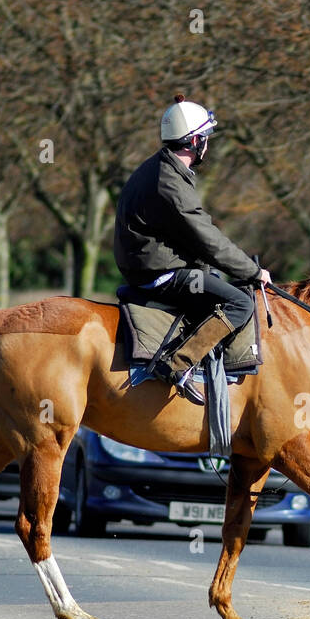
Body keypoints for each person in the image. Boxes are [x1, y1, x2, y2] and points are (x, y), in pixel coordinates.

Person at [112, 95, 272, 404]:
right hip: (161, 274)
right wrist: (253, 272)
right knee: (241, 303)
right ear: (195, 141)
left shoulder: (161, 168)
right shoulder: (169, 182)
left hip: (153, 265)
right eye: (206, 139)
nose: (208, 146)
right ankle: (177, 365)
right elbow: (207, 239)